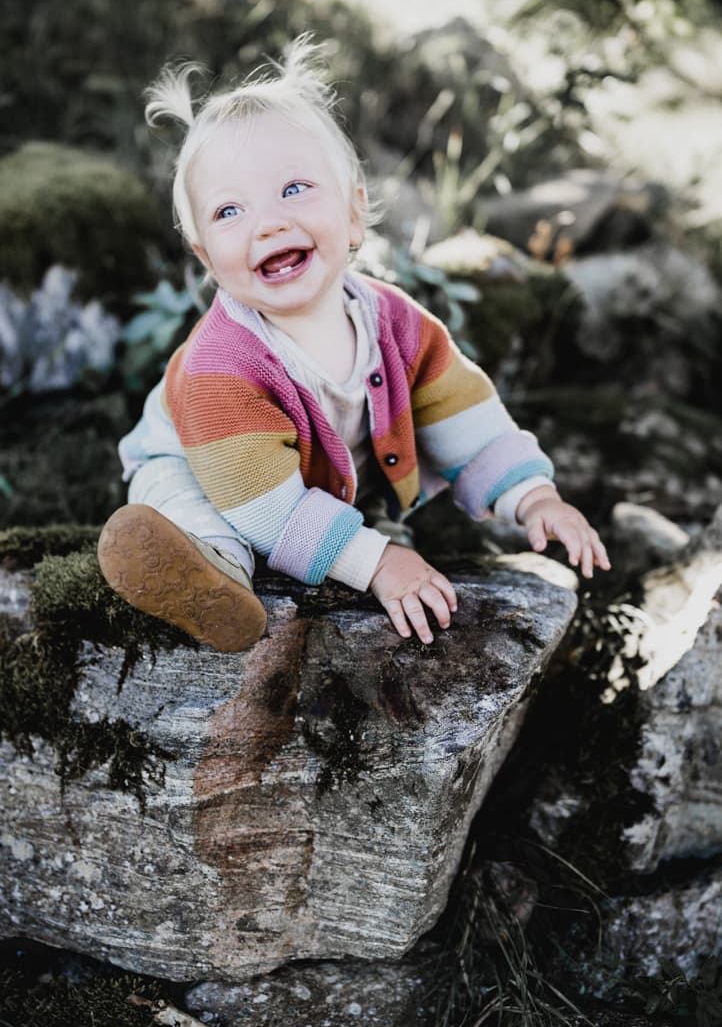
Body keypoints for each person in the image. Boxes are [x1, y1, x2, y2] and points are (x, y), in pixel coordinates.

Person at [98, 36, 609, 653]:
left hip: (327, 487)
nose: (267, 223)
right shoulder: (222, 366)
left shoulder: (397, 323)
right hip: (199, 469)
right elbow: (266, 509)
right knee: (203, 520)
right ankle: (214, 584)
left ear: (355, 212)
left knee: (379, 532)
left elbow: (466, 420)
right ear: (207, 257)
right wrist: (375, 561)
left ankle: (322, 543)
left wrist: (533, 497)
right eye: (230, 211)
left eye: (293, 191)